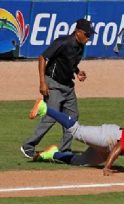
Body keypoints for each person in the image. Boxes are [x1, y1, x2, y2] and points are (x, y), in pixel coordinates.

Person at [20, 18, 96, 158]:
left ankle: (65, 150)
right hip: (53, 84)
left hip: (68, 86)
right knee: (51, 116)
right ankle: (28, 146)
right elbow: (42, 58)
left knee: (72, 118)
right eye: (87, 34)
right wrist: (42, 82)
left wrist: (77, 71)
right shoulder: (63, 42)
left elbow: (69, 62)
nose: (89, 37)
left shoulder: (80, 46)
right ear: (78, 32)